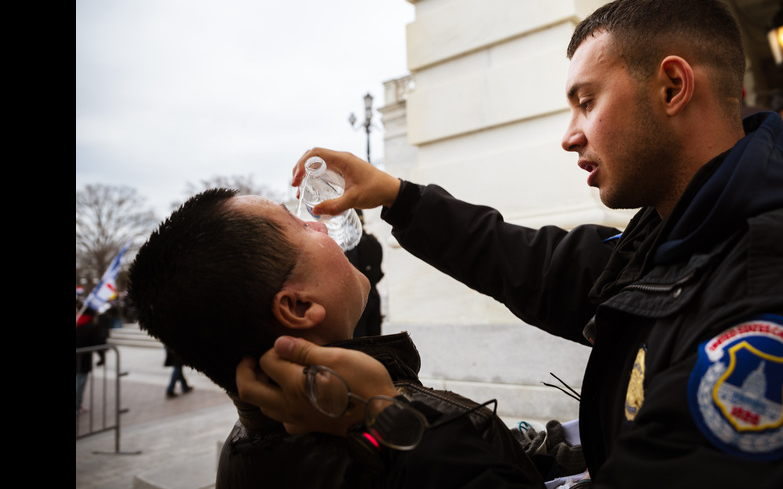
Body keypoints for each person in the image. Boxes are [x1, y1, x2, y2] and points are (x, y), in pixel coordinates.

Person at [237, 0, 783, 487]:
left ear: (672, 86)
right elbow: (545, 266)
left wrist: (386, 414)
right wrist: (397, 195)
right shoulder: (688, 227)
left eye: (586, 100)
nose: (570, 135)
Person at [126, 188, 539, 488]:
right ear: (300, 308)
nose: (319, 223)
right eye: (299, 225)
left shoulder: (247, 447)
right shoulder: (423, 426)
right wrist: (386, 417)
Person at [345, 210, 384, 337]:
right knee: (375, 341)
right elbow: (378, 272)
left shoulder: (348, 244)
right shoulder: (374, 241)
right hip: (373, 295)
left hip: (358, 300)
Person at [76, 302, 106, 414]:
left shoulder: (79, 323)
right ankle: (77, 406)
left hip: (82, 360)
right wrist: (102, 357)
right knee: (79, 383)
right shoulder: (91, 326)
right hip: (82, 361)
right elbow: (98, 343)